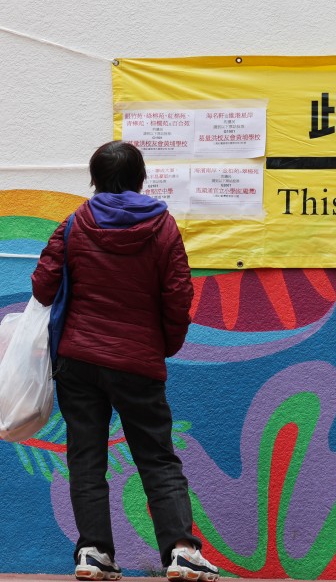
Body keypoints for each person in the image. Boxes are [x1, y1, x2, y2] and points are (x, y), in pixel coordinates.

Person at [32, 141, 219, 582]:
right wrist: (163, 346)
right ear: (141, 178)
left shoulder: (74, 224)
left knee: (86, 458)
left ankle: (94, 553)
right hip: (137, 361)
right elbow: (178, 296)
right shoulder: (164, 226)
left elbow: (43, 286)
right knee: (157, 457)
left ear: (94, 179)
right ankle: (181, 551)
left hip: (77, 360)